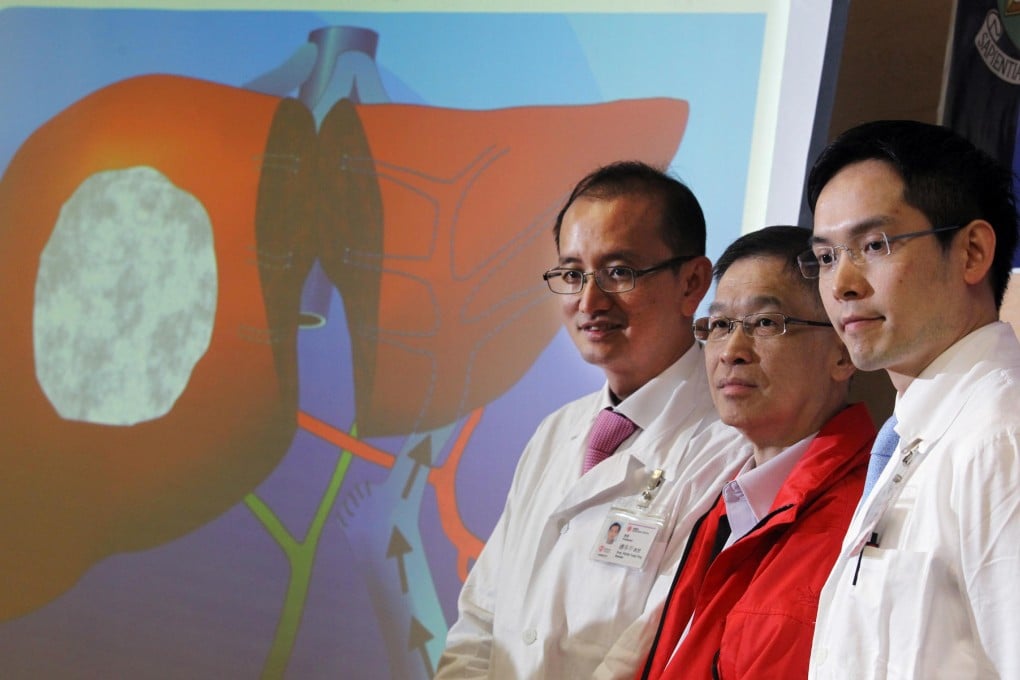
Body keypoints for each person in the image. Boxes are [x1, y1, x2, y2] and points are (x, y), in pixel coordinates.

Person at [436, 161, 747, 679]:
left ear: (692, 283)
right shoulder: (557, 432)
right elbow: (481, 617)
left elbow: (651, 645)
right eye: (572, 273)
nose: (588, 301)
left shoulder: (731, 440)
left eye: (619, 272)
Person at [802, 120, 1020, 679]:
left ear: (972, 251)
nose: (842, 283)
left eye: (874, 245)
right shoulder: (916, 433)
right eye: (826, 257)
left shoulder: (1001, 436)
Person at [638, 226, 875, 679]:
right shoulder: (720, 498)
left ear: (843, 353)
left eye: (766, 323)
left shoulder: (863, 518)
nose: (731, 351)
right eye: (721, 325)